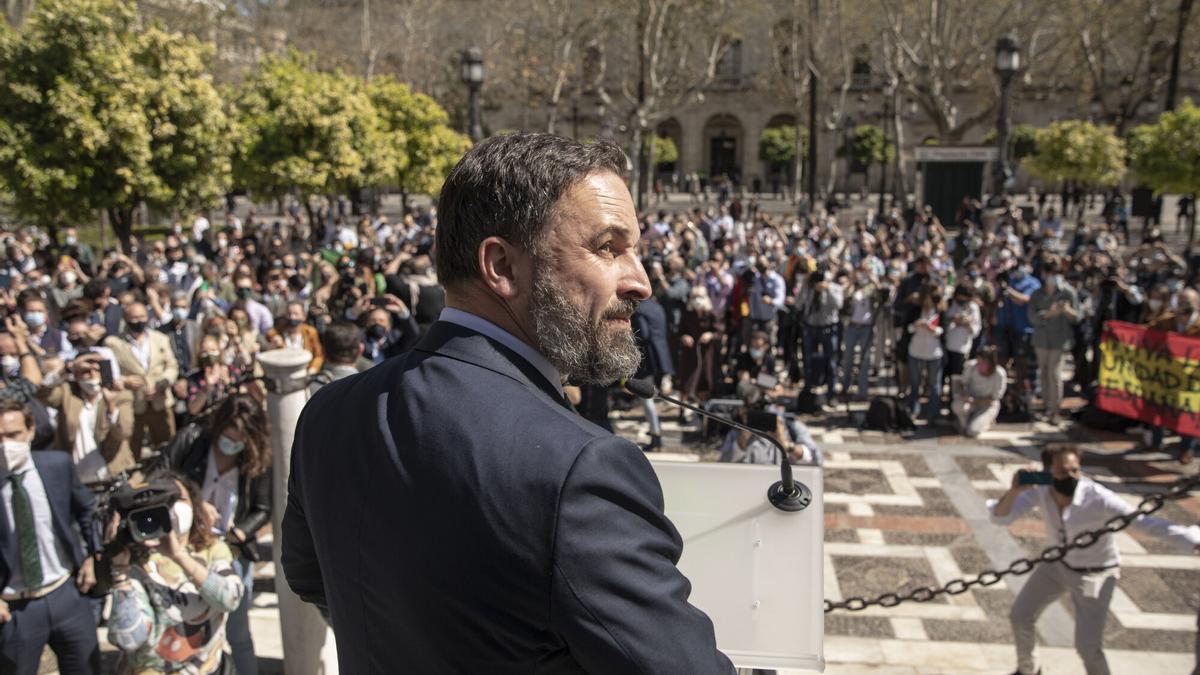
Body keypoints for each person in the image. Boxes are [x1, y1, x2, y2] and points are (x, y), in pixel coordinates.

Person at [283, 133, 732, 673]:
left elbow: (312, 577)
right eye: (608, 248)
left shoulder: (331, 411)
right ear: (501, 265)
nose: (640, 282)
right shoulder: (580, 470)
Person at [990, 444, 1200, 675]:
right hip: (1057, 565)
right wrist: (1014, 491)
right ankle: (1028, 670)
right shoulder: (1041, 488)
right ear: (1048, 471)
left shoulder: (1097, 496)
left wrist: (1193, 540)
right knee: (1021, 616)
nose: (1070, 477)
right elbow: (1001, 518)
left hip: (1095, 574)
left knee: (1088, 648)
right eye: (1062, 472)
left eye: (1075, 470)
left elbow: (1144, 522)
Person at [165, 396, 271, 675]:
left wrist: (240, 532)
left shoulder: (257, 460)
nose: (231, 446)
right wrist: (192, 502)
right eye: (227, 438)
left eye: (239, 442)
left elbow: (262, 508)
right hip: (187, 549)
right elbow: (162, 478)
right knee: (185, 625)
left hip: (232, 553)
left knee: (237, 631)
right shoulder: (192, 440)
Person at [106, 472, 245, 675]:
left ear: (195, 505)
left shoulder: (211, 549)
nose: (171, 509)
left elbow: (230, 599)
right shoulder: (136, 562)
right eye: (162, 503)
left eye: (177, 499)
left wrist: (179, 556)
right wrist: (119, 573)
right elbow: (128, 638)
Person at [0, 398, 100, 675]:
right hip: (14, 609)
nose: (5, 445)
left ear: (31, 431)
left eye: (12, 435)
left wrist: (94, 555)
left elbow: (88, 510)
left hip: (66, 593)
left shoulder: (57, 466)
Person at [37, 350, 135, 483]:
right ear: (76, 374)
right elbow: (42, 393)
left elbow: (124, 432)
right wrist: (66, 368)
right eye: (85, 371)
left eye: (96, 370)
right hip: (79, 477)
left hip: (113, 474)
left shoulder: (121, 396)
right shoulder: (67, 393)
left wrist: (111, 406)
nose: (92, 375)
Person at [104, 302, 179, 458]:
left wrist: (163, 382)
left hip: (160, 400)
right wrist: (125, 381)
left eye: (141, 317)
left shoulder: (160, 339)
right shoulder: (113, 343)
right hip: (133, 403)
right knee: (133, 445)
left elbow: (172, 366)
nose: (138, 321)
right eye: (134, 317)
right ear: (126, 319)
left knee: (167, 444)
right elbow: (109, 375)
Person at [1028, 263, 1080, 425]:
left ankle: (1055, 410)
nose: (1054, 277)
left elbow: (1078, 317)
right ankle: (1046, 406)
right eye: (1051, 273)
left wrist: (1066, 310)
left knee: (1055, 374)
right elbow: (1032, 318)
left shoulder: (1068, 292)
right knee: (1043, 373)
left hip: (1060, 340)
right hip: (1041, 339)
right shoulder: (1037, 294)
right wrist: (1049, 314)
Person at [906, 286, 945, 421]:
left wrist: (932, 328)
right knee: (915, 382)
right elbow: (908, 328)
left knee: (934, 383)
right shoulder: (916, 311)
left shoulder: (940, 311)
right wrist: (916, 325)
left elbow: (943, 330)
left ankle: (933, 413)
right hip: (916, 350)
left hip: (934, 352)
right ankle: (914, 409)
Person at [950, 346, 1007, 437]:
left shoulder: (999, 374)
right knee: (958, 406)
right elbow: (962, 383)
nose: (980, 363)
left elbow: (994, 398)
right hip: (971, 402)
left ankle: (987, 421)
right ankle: (964, 422)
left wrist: (976, 401)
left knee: (973, 431)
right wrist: (963, 394)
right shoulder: (971, 366)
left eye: (983, 361)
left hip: (987, 405)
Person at [266, 301, 324, 374]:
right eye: (289, 313)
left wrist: (313, 368)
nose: (292, 317)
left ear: (303, 316)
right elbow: (269, 333)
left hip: (304, 373)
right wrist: (275, 337)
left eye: (296, 314)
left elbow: (318, 356)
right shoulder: (280, 330)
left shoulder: (310, 332)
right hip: (283, 372)